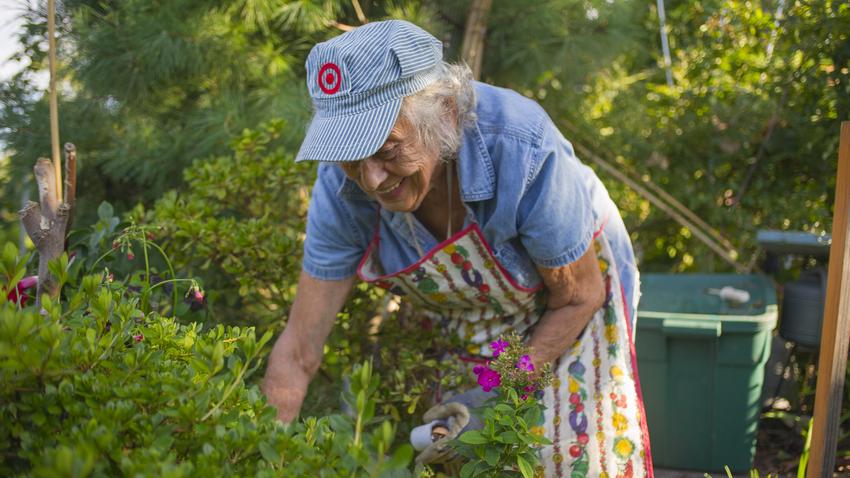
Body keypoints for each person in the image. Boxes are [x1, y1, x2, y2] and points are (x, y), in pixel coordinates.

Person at [262, 19, 653, 476]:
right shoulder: (339, 187)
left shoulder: (520, 146)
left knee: (559, 446)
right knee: (456, 444)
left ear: (444, 112)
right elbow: (299, 350)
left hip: (570, 293)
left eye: (387, 150)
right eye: (351, 155)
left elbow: (578, 295)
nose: (372, 179)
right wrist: (263, 450)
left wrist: (494, 395)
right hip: (472, 309)